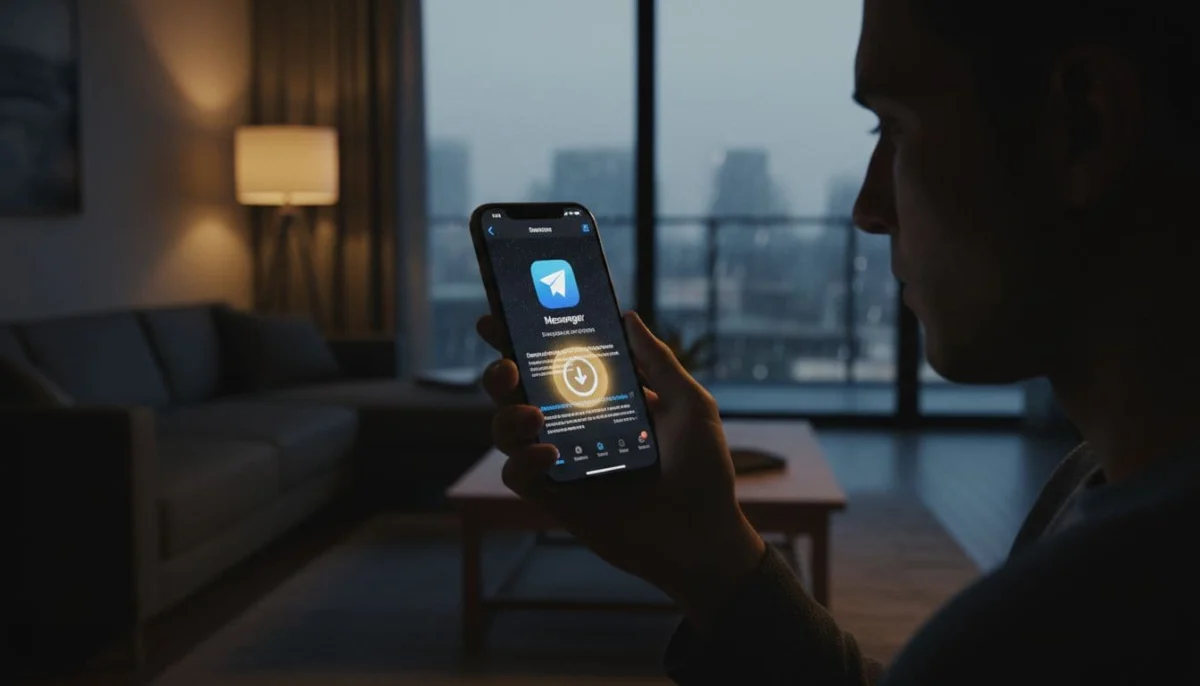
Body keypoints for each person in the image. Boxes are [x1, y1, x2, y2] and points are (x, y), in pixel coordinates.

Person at [476, 0, 1200, 682]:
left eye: (893, 126)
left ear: (1082, 128)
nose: (866, 208)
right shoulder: (1092, 492)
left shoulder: (1065, 620)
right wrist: (711, 559)